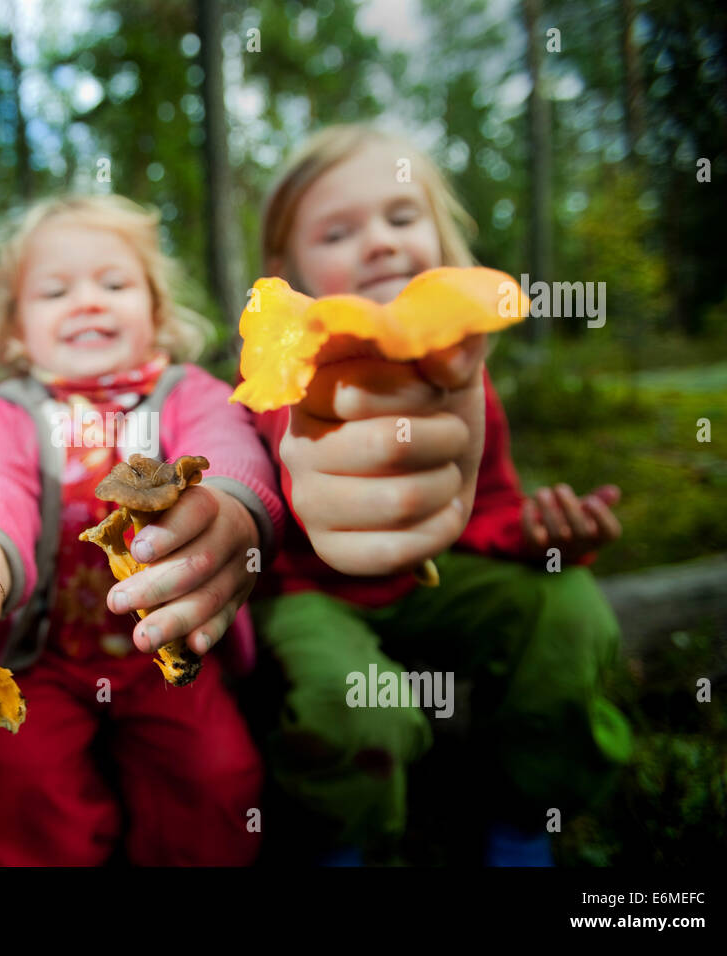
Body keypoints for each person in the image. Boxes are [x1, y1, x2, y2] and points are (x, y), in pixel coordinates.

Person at [249, 124, 633, 865]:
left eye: (401, 218)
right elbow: (283, 444)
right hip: (310, 592)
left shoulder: (462, 367)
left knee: (564, 609)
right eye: (338, 231)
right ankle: (347, 841)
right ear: (286, 266)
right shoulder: (286, 365)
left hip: (435, 580)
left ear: (441, 237)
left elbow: (485, 504)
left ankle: (526, 821)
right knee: (349, 701)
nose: (381, 243)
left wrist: (532, 538)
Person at [0, 194, 283, 865]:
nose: (88, 301)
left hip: (173, 656)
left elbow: (231, 449)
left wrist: (232, 511)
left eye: (115, 284)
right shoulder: (7, 413)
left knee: (216, 778)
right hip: (45, 660)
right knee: (26, 782)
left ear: (156, 310)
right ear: (13, 332)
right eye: (56, 291)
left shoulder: (189, 393)